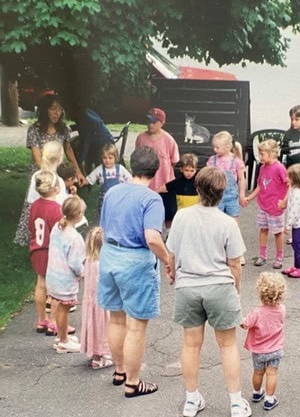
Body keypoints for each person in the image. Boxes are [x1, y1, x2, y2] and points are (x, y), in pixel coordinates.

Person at [166, 166, 251, 417]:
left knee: (191, 345)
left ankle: (191, 400)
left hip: (188, 286)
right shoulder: (227, 223)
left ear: (198, 189)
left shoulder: (182, 217)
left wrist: (171, 271)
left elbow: (171, 252)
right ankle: (236, 402)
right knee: (227, 346)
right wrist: (236, 288)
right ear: (222, 193)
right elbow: (235, 262)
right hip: (219, 286)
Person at [97, 146, 172, 397]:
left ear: (131, 166)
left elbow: (104, 228)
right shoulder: (151, 199)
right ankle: (133, 382)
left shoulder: (112, 192)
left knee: (116, 319)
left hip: (110, 256)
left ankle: (119, 371)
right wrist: (167, 259)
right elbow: (151, 237)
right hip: (135, 261)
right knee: (136, 326)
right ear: (155, 170)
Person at [46, 196, 86, 353]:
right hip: (65, 279)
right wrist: (83, 273)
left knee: (60, 306)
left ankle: (62, 336)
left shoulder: (58, 227)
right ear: (77, 215)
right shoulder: (75, 238)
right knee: (64, 308)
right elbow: (75, 263)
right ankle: (63, 341)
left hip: (53, 275)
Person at [241, 272, 286, 411]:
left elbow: (245, 324)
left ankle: (256, 393)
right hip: (275, 349)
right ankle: (269, 399)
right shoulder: (282, 310)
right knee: (272, 373)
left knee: (258, 372)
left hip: (259, 350)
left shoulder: (257, 312)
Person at [244, 140, 288, 269]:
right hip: (263, 205)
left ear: (272, 153)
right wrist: (249, 198)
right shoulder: (262, 168)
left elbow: (288, 184)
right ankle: (262, 255)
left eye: (262, 154)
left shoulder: (279, 168)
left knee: (278, 232)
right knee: (263, 229)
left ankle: (279, 257)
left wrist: (284, 201)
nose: (260, 157)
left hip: (275, 207)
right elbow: (260, 185)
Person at [15, 141, 69, 246]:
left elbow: (30, 200)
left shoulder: (36, 176)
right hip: (53, 221)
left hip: (38, 219)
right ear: (59, 159)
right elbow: (63, 205)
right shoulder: (58, 181)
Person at [29, 171, 63, 334]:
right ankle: (53, 321)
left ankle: (41, 319)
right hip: (52, 251)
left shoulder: (35, 205)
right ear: (56, 188)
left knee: (41, 283)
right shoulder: (57, 209)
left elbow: (30, 227)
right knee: (56, 286)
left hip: (37, 249)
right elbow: (61, 233)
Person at [81, 226, 113, 369]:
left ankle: (95, 353)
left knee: (92, 326)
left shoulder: (88, 261)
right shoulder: (103, 264)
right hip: (102, 302)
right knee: (103, 327)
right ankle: (103, 355)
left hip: (90, 302)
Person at [135, 107, 179, 192]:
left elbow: (174, 161)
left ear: (162, 123)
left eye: (154, 122)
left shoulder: (169, 140)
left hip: (164, 185)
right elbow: (137, 158)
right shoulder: (141, 138)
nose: (151, 125)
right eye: (149, 121)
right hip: (146, 184)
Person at [207, 131, 246, 219]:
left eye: (217, 147)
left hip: (232, 197)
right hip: (216, 196)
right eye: (214, 147)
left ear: (227, 147)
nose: (214, 149)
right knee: (216, 219)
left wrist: (242, 195)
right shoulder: (212, 160)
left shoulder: (236, 160)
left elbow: (241, 179)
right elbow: (208, 177)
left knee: (233, 220)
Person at [281, 164, 300, 278]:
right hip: (298, 223)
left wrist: (287, 226)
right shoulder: (293, 189)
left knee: (298, 246)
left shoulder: (297, 194)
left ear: (295, 179)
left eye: (289, 177)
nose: (286, 179)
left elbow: (293, 211)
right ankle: (296, 266)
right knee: (296, 245)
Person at [86, 143, 132, 212]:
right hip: (105, 200)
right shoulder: (100, 169)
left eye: (110, 158)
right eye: (105, 158)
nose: (107, 161)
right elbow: (89, 179)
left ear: (115, 158)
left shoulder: (120, 169)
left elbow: (131, 180)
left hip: (118, 199)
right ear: (101, 158)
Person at [157, 152, 200, 223]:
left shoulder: (199, 183)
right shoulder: (177, 182)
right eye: (186, 170)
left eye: (192, 171)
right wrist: (153, 193)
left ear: (196, 170)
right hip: (181, 214)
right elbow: (163, 188)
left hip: (195, 215)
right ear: (181, 169)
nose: (189, 173)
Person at [71, 108, 114, 172]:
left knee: (83, 152)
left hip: (102, 145)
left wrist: (82, 159)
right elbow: (81, 126)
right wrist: (70, 128)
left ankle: (87, 173)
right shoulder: (87, 113)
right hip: (103, 140)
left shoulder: (85, 119)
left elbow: (85, 142)